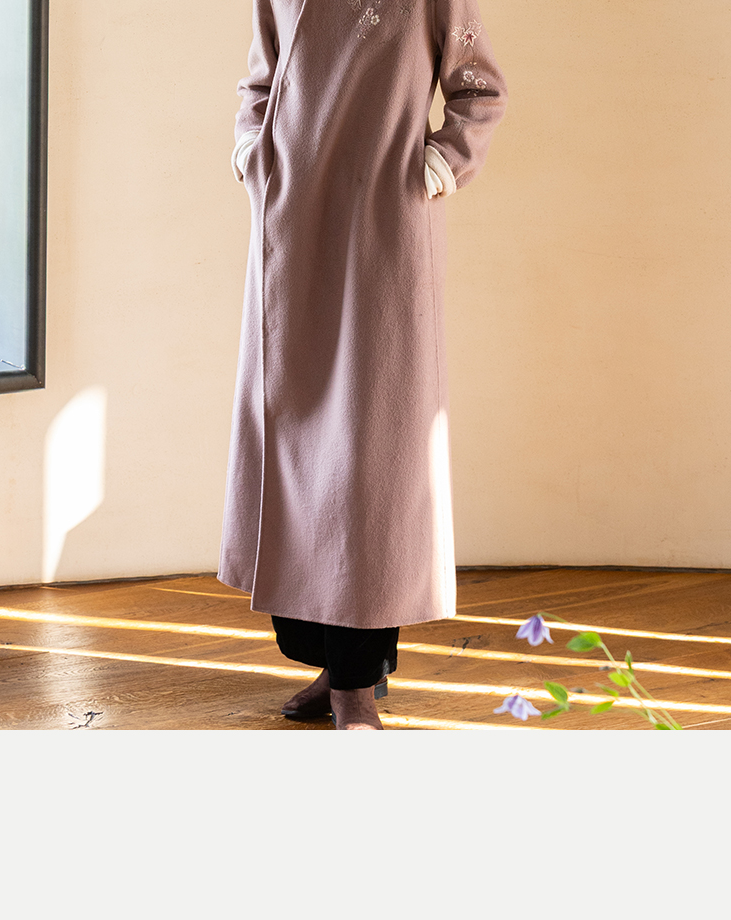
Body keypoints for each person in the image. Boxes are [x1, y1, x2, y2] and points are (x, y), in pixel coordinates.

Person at [219, 0, 508, 729]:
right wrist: (253, 149)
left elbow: (478, 86)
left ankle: (356, 680)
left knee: (372, 457)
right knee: (294, 444)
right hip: (290, 217)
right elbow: (262, 77)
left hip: (381, 219)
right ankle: (329, 665)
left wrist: (438, 164)